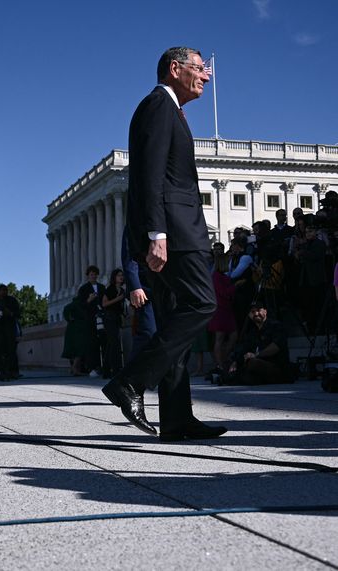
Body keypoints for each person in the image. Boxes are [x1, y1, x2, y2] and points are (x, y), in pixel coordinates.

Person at [102, 46, 226, 442]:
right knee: (202, 303)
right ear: (175, 69)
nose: (206, 76)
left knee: (176, 320)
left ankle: (176, 418)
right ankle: (130, 381)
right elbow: (149, 175)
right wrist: (157, 235)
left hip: (174, 230)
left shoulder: (168, 109)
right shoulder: (158, 106)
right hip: (175, 233)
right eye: (199, 68)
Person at [227, 300, 294, 385]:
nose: (256, 314)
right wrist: (235, 362)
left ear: (265, 311)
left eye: (258, 310)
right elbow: (243, 349)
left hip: (277, 367)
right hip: (258, 368)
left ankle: (235, 378)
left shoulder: (276, 326)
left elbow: (276, 347)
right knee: (229, 364)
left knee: (252, 363)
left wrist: (256, 355)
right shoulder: (252, 332)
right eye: (252, 312)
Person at [121, 228, 156, 361]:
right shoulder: (136, 221)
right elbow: (129, 257)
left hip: (168, 288)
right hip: (145, 289)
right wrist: (135, 286)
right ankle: (130, 378)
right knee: (148, 333)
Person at [207, 253, 237, 380]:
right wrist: (235, 287)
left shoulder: (219, 276)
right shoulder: (217, 277)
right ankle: (220, 363)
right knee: (220, 338)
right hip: (220, 309)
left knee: (232, 336)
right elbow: (224, 293)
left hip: (225, 309)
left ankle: (222, 360)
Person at [77, 265, 107, 377]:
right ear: (88, 276)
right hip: (90, 320)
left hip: (102, 318)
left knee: (104, 342)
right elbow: (80, 305)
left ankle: (106, 365)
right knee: (92, 344)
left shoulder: (102, 287)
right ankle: (94, 367)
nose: (93, 276)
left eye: (95, 274)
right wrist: (89, 300)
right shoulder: (83, 289)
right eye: (91, 274)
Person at [0, 284, 21, 380]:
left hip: (10, 329)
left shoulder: (12, 300)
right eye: (2, 290)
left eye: (5, 290)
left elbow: (18, 313)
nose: (4, 292)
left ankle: (13, 371)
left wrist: (10, 313)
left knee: (11, 351)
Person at [101, 269, 126, 377]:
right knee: (114, 344)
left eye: (122, 275)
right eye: (118, 275)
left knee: (111, 345)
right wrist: (118, 298)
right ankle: (116, 369)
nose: (121, 277)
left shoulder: (122, 289)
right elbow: (104, 304)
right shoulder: (110, 288)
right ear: (114, 277)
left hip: (117, 318)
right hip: (109, 318)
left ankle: (107, 371)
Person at [62, 296, 90, 376]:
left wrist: (69, 319)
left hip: (71, 329)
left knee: (73, 351)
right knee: (80, 350)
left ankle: (73, 368)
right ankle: (75, 368)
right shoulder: (79, 305)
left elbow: (66, 310)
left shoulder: (70, 305)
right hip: (79, 330)